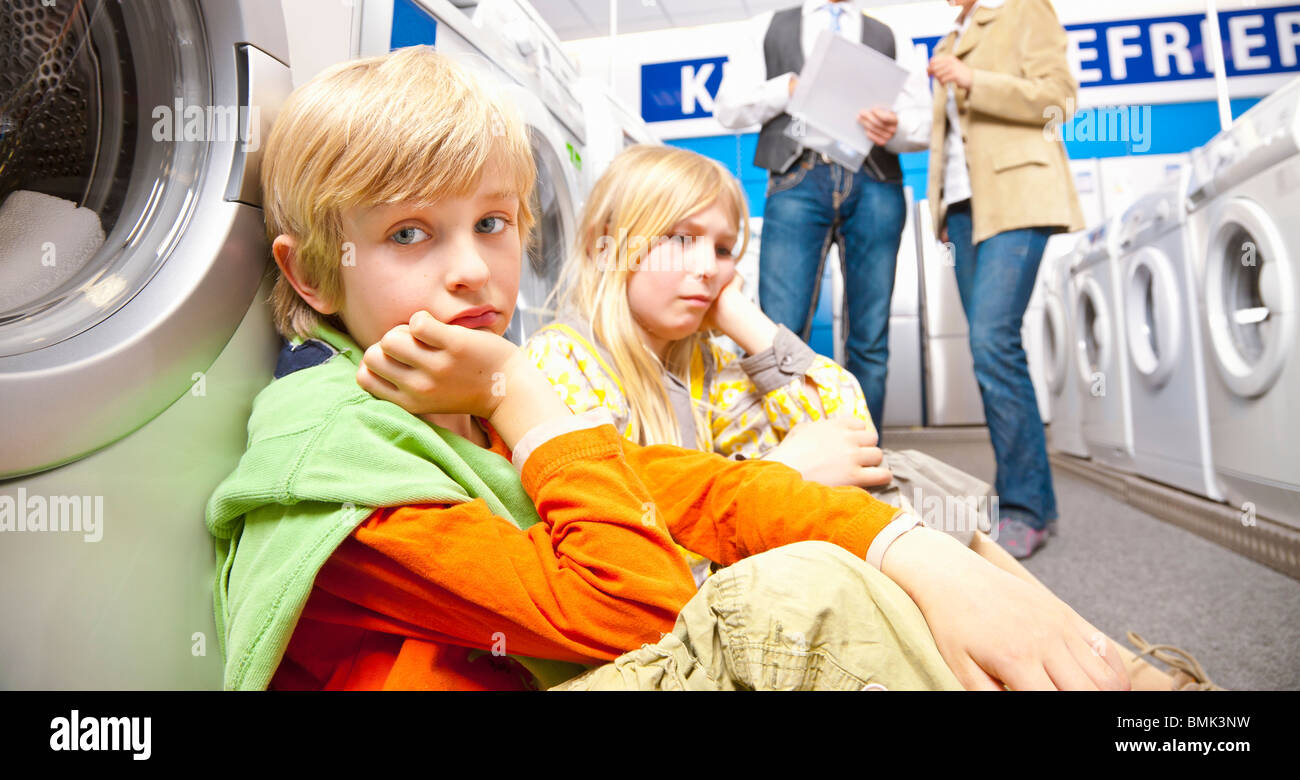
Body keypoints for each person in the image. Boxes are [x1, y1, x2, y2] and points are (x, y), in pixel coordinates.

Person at [204, 45, 1133, 691]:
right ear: (312, 272)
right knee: (801, 593)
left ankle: (1121, 676)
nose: (473, 268)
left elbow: (735, 479)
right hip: (610, 617)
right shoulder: (392, 434)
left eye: (492, 224)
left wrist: (908, 546)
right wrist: (514, 393)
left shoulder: (475, 394)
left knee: (897, 509)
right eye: (411, 233)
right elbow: (638, 603)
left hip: (607, 604)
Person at [521, 145, 1205, 692]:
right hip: (658, 621)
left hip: (723, 571)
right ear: (608, 247)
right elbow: (615, 549)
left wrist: (749, 323)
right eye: (681, 238)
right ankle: (1098, 670)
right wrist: (782, 473)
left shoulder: (706, 364)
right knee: (887, 507)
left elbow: (853, 431)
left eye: (725, 249)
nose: (708, 268)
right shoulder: (562, 361)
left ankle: (1082, 662)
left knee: (893, 477)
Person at [714, 0, 931, 432]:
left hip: (875, 186)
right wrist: (785, 88)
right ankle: (793, 458)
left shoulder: (890, 35)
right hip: (796, 179)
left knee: (870, 336)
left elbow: (922, 125)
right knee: (780, 329)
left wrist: (894, 128)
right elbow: (727, 109)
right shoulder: (768, 28)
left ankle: (863, 461)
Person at [922, 0, 1082, 559]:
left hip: (1018, 197)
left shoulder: (1023, 9)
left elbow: (1057, 99)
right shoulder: (951, 35)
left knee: (993, 342)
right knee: (987, 350)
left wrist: (973, 79)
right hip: (963, 209)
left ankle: (1027, 507)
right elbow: (950, 138)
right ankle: (1016, 491)